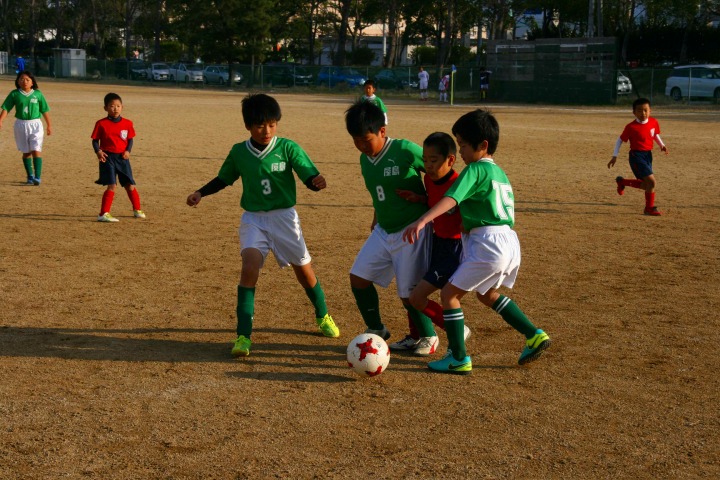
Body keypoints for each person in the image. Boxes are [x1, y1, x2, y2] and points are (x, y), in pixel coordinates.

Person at [186, 93, 339, 357]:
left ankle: (322, 314)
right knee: (249, 267)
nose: (266, 131)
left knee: (304, 272)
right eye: (259, 126)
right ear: (247, 126)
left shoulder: (288, 148)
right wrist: (200, 192)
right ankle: (243, 336)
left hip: (285, 219)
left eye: (271, 124)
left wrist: (316, 182)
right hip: (254, 219)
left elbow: (308, 175)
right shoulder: (239, 152)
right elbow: (224, 179)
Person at [402, 109, 551, 374]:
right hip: (507, 240)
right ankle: (534, 334)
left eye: (463, 145)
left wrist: (422, 220)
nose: (460, 151)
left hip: (488, 243)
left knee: (449, 295)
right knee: (487, 294)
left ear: (482, 145)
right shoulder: (499, 172)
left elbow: (451, 199)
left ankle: (458, 358)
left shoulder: (475, 169)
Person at [344, 99, 438, 352]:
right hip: (384, 229)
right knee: (359, 278)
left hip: (412, 229)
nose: (362, 146)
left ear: (382, 131)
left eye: (366, 140)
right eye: (356, 141)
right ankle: (376, 328)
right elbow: (380, 193)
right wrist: (377, 216)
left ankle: (428, 337)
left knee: (408, 293)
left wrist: (424, 200)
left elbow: (441, 173)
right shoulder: (365, 160)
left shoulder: (405, 149)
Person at [390, 132, 471, 355]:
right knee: (411, 285)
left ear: (450, 160)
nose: (428, 166)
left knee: (417, 297)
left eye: (434, 160)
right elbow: (435, 202)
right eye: (425, 160)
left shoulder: (460, 184)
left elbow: (465, 211)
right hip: (435, 243)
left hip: (453, 250)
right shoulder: (428, 179)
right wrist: (419, 198)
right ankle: (416, 335)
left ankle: (457, 329)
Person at [608, 97, 668, 216]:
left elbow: (654, 134)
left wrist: (662, 145)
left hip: (648, 155)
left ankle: (622, 182)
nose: (643, 113)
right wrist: (614, 156)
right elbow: (620, 140)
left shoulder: (653, 122)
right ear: (634, 112)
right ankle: (649, 208)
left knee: (646, 185)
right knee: (652, 183)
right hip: (636, 156)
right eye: (639, 110)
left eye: (645, 110)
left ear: (650, 111)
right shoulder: (631, 127)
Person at [91, 92, 145, 222]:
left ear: (122, 107)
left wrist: (128, 151)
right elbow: (95, 140)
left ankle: (137, 209)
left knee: (129, 184)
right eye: (112, 106)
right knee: (112, 185)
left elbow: (130, 139)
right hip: (107, 158)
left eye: (118, 106)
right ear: (105, 108)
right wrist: (98, 151)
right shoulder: (101, 124)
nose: (115, 109)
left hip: (122, 158)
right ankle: (103, 213)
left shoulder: (127, 123)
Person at [0, 71, 52, 186]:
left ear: (32, 82)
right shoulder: (14, 94)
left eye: (27, 80)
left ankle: (37, 177)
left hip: (36, 124)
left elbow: (44, 110)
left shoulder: (38, 94)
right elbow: (6, 108)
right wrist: (0, 120)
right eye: (22, 79)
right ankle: (30, 176)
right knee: (26, 152)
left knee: (36, 149)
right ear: (18, 82)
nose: (24, 82)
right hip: (21, 124)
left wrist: (49, 125)